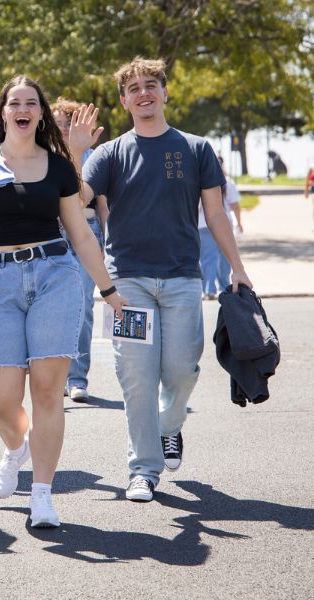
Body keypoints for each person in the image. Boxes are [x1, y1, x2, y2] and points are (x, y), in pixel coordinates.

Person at [0, 76, 125, 528]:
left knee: (46, 392)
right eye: (14, 103)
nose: (22, 109)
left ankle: (42, 494)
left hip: (54, 275)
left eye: (31, 103)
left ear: (40, 114)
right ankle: (16, 447)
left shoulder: (58, 165)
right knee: (1, 401)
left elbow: (80, 233)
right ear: (2, 113)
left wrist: (108, 289)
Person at [71, 58, 252, 503]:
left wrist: (237, 268)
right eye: (133, 88)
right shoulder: (111, 153)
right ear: (123, 100)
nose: (143, 93)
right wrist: (76, 153)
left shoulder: (196, 149)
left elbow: (215, 214)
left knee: (183, 369)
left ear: (165, 92)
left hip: (182, 278)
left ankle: (169, 427)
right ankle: (142, 469)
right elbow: (76, 204)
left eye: (150, 85)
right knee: (135, 376)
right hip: (127, 283)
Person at [53, 97, 109, 402]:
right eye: (58, 123)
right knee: (56, 308)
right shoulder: (42, 156)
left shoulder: (93, 157)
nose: (63, 128)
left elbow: (102, 205)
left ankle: (78, 377)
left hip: (87, 231)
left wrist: (110, 244)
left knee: (84, 309)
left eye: (68, 122)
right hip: (54, 235)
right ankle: (57, 375)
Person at [199, 156, 243, 299]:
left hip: (203, 225)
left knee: (208, 259)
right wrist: (239, 222)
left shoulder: (198, 181)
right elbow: (235, 205)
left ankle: (208, 289)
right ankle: (224, 288)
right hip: (224, 225)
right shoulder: (227, 182)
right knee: (225, 258)